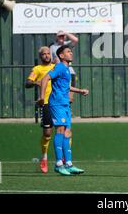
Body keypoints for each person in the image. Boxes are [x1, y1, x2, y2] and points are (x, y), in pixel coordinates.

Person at [38, 45, 89, 176]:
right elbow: (45, 79)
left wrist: (80, 91)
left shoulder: (66, 69)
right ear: (61, 56)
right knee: (60, 131)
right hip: (57, 103)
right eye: (68, 52)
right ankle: (58, 164)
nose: (71, 53)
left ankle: (69, 164)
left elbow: (66, 86)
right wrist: (42, 97)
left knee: (67, 132)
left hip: (64, 104)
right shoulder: (60, 66)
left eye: (71, 51)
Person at [25, 46, 55, 174]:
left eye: (48, 53)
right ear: (40, 56)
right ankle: (44, 158)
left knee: (65, 130)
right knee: (47, 133)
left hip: (59, 103)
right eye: (44, 54)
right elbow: (27, 83)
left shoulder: (56, 67)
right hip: (46, 103)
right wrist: (36, 82)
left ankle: (65, 160)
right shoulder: (37, 69)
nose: (47, 55)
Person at [50, 30, 79, 104]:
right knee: (61, 93)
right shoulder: (53, 47)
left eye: (62, 36)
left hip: (69, 71)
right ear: (56, 37)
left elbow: (76, 40)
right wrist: (54, 61)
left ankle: (67, 111)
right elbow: (50, 61)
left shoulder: (67, 45)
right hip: (59, 71)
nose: (61, 37)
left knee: (69, 97)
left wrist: (65, 33)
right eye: (60, 36)